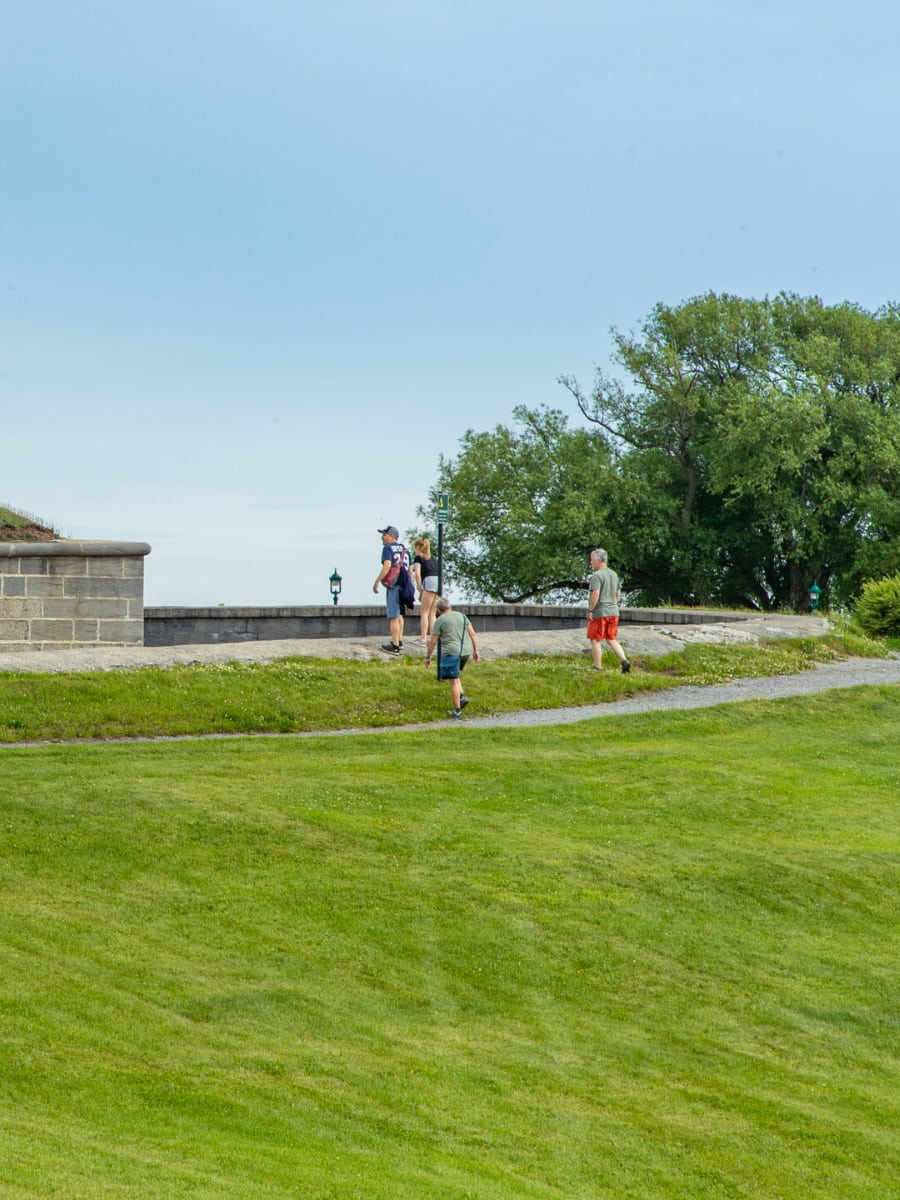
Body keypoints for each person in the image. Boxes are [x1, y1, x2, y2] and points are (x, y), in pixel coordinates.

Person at [424, 595, 481, 718]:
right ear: (450, 606)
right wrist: (476, 651)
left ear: (439, 610)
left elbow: (433, 642)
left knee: (453, 680)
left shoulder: (440, 620)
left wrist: (428, 657)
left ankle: (457, 711)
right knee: (455, 675)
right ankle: (462, 697)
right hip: (466, 651)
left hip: (452, 652)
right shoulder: (462, 616)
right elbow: (473, 634)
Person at [586, 548, 631, 673]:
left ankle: (597, 666)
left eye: (592, 560)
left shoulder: (597, 576)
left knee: (595, 639)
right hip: (614, 612)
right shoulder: (613, 574)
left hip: (600, 612)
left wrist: (590, 610)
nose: (591, 563)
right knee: (611, 638)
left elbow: (595, 594)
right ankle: (624, 661)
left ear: (599, 560)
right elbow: (618, 593)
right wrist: (613, 604)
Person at [373, 525, 410, 654]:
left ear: (392, 536)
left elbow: (387, 565)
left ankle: (395, 646)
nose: (382, 537)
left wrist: (378, 581)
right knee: (400, 613)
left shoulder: (388, 549)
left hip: (394, 584)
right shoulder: (405, 549)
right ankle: (399, 641)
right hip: (405, 584)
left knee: (393, 615)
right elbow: (409, 570)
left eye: (385, 535)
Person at [411, 536, 440, 644]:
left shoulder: (418, 558)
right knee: (432, 613)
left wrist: (420, 589)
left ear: (418, 547)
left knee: (424, 612)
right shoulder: (434, 559)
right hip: (438, 583)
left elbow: (418, 574)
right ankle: (433, 638)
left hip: (428, 581)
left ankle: (423, 638)